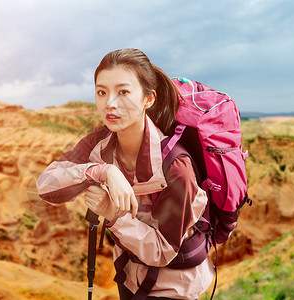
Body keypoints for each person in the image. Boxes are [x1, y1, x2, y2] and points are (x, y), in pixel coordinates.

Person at [36, 48, 214, 300]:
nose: (110, 103)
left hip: (174, 286)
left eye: (123, 92)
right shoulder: (101, 141)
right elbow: (46, 186)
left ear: (148, 99)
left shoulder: (176, 166)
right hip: (130, 276)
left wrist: (113, 214)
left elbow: (162, 251)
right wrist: (102, 170)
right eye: (101, 92)